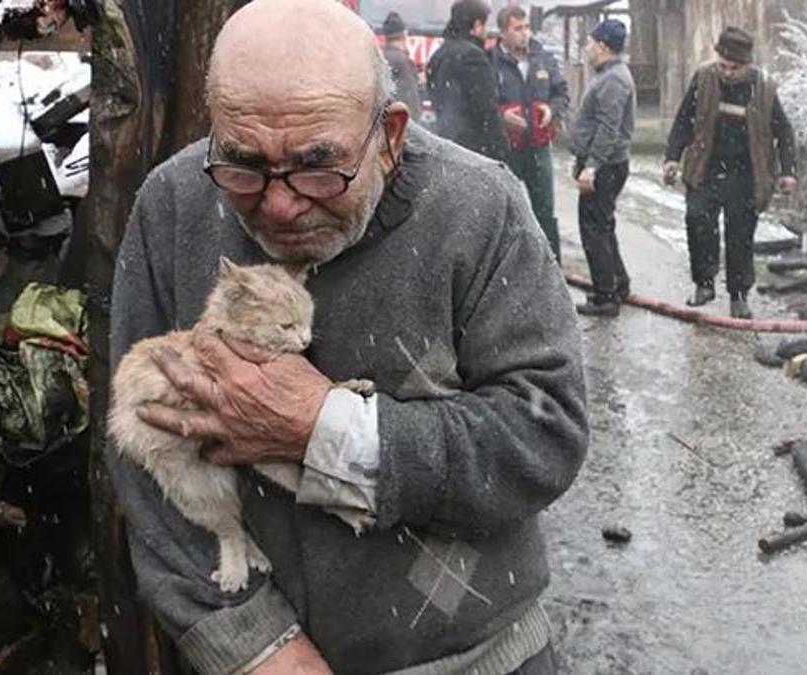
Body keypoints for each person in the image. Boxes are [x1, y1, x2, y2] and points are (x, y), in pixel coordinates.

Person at [106, 0, 587, 673]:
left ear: (390, 134)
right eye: (243, 164)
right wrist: (250, 644)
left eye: (316, 165)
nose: (278, 203)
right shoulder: (174, 205)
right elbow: (139, 458)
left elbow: (545, 435)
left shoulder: (480, 209)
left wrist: (326, 430)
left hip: (477, 658)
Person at [663, 27, 799, 320]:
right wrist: (672, 157)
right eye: (722, 65)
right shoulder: (704, 78)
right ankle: (704, 284)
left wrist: (788, 171)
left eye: (733, 68)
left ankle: (739, 296)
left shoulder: (764, 88)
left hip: (746, 174)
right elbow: (684, 120)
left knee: (740, 236)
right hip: (706, 168)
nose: (726, 72)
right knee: (697, 221)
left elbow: (784, 132)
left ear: (747, 64)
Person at [490, 5, 568, 262]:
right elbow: (482, 104)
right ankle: (510, 265)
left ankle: (551, 264)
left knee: (545, 210)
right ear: (502, 32)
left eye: (526, 27)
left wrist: (551, 109)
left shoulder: (542, 58)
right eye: (518, 29)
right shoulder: (490, 62)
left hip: (538, 146)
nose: (525, 34)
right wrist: (502, 117)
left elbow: (561, 93)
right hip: (507, 149)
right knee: (506, 210)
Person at [569, 18, 635, 317]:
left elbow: (609, 128)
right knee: (603, 225)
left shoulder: (613, 80)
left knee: (594, 228)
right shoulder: (609, 75)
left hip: (605, 165)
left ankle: (605, 297)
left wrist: (592, 166)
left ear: (603, 46)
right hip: (605, 163)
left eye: (590, 42)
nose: (586, 48)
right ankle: (617, 283)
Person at [426, 0, 509, 161]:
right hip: (473, 150)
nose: (486, 32)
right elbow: (486, 110)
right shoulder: (474, 57)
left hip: (445, 145)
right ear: (477, 25)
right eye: (485, 25)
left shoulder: (439, 55)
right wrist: (502, 152)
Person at [380, 11, 422, 122]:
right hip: (400, 125)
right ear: (404, 35)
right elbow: (411, 101)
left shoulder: (378, 57)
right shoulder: (404, 62)